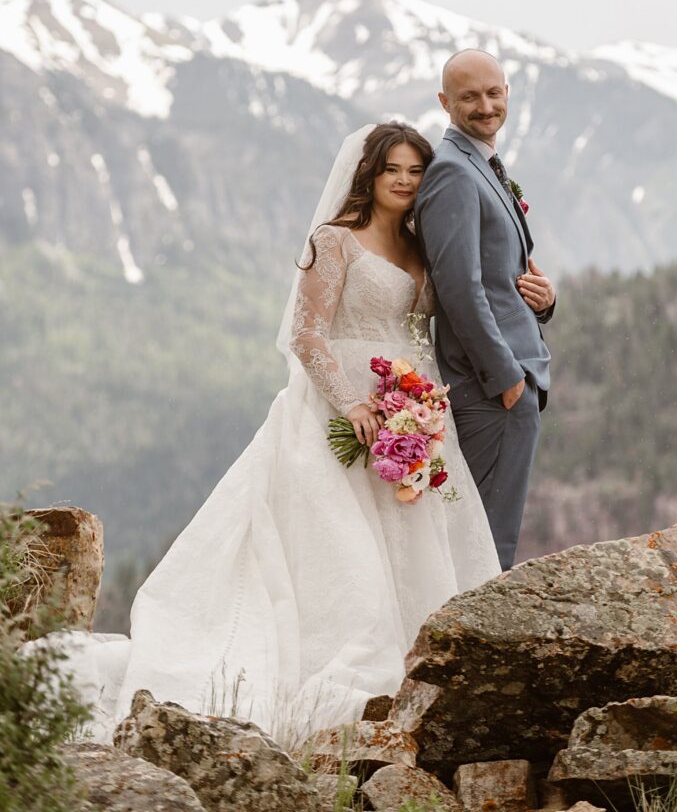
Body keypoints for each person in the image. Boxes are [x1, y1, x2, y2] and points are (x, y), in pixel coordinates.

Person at [44, 122, 502, 746]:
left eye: (415, 170)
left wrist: (534, 300)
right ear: (368, 174)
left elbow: (463, 306)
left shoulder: (425, 248)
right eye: (392, 168)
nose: (403, 180)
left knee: (416, 539)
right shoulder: (336, 240)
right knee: (341, 547)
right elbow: (308, 334)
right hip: (337, 410)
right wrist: (350, 405)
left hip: (414, 409)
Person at [415, 51, 556, 571]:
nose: (485, 105)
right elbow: (459, 289)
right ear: (445, 102)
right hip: (490, 387)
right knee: (484, 542)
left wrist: (546, 300)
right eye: (470, 96)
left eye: (494, 92)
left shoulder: (482, 162)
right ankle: (470, 648)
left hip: (511, 379)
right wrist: (506, 379)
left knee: (492, 534)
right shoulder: (452, 171)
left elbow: (498, 275)